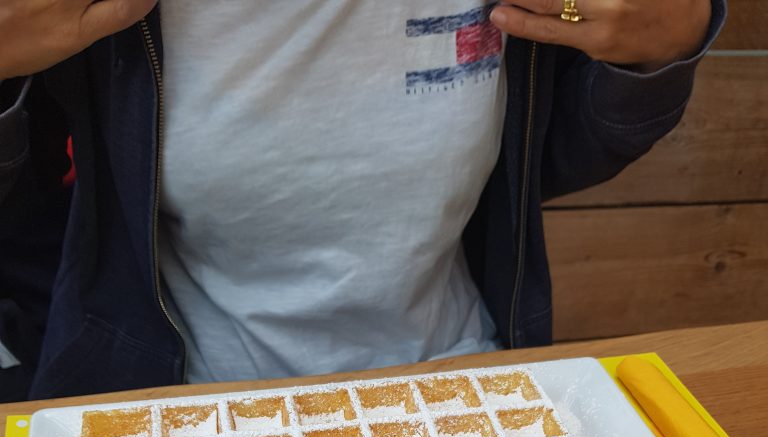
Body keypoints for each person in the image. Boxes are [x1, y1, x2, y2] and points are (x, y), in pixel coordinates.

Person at [0, 0, 723, 400]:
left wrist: (660, 50)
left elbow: (548, 152)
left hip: (468, 381)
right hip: (180, 402)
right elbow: (27, 221)